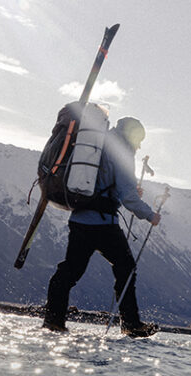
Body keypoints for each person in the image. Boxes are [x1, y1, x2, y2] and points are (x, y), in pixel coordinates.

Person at [42, 116, 161, 336]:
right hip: (103, 223)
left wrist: (126, 192)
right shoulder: (122, 153)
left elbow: (105, 184)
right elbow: (128, 198)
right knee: (126, 267)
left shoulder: (99, 144)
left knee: (71, 270)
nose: (139, 145)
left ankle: (53, 319)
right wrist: (150, 215)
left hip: (79, 219)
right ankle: (131, 324)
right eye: (139, 139)